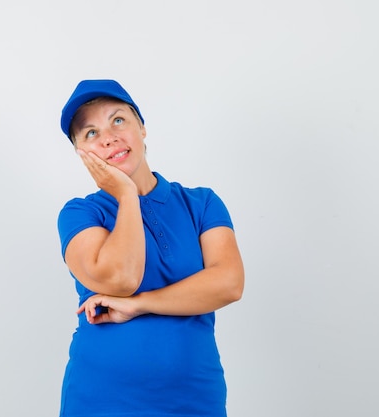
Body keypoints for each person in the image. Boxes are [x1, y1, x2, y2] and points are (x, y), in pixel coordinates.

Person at [56, 79, 245, 417]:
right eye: (90, 133)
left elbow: (228, 283)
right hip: (102, 401)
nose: (109, 137)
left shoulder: (201, 203)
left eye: (118, 120)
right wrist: (127, 194)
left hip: (194, 398)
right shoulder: (81, 213)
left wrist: (140, 305)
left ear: (141, 128)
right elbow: (120, 279)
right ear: (81, 154)